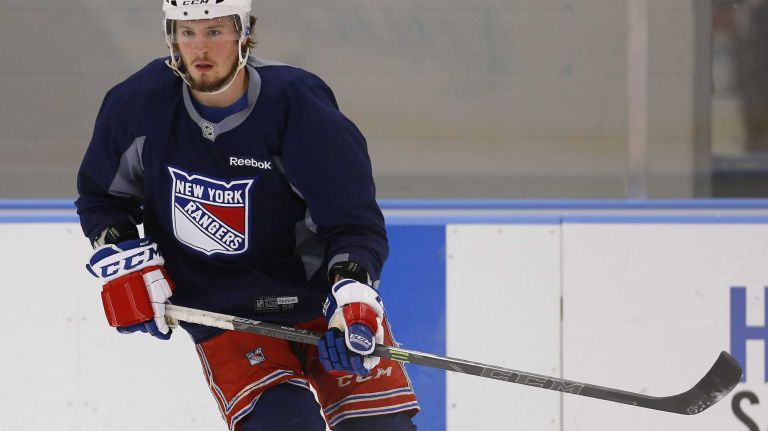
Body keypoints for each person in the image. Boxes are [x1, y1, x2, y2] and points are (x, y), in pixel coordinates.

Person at [75, 1, 419, 429]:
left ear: (244, 32)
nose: (200, 49)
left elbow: (352, 223)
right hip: (223, 314)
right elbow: (103, 200)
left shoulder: (298, 106)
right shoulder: (137, 106)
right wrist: (124, 258)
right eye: (187, 33)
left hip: (319, 301)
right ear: (171, 36)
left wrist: (352, 294)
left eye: (215, 32)